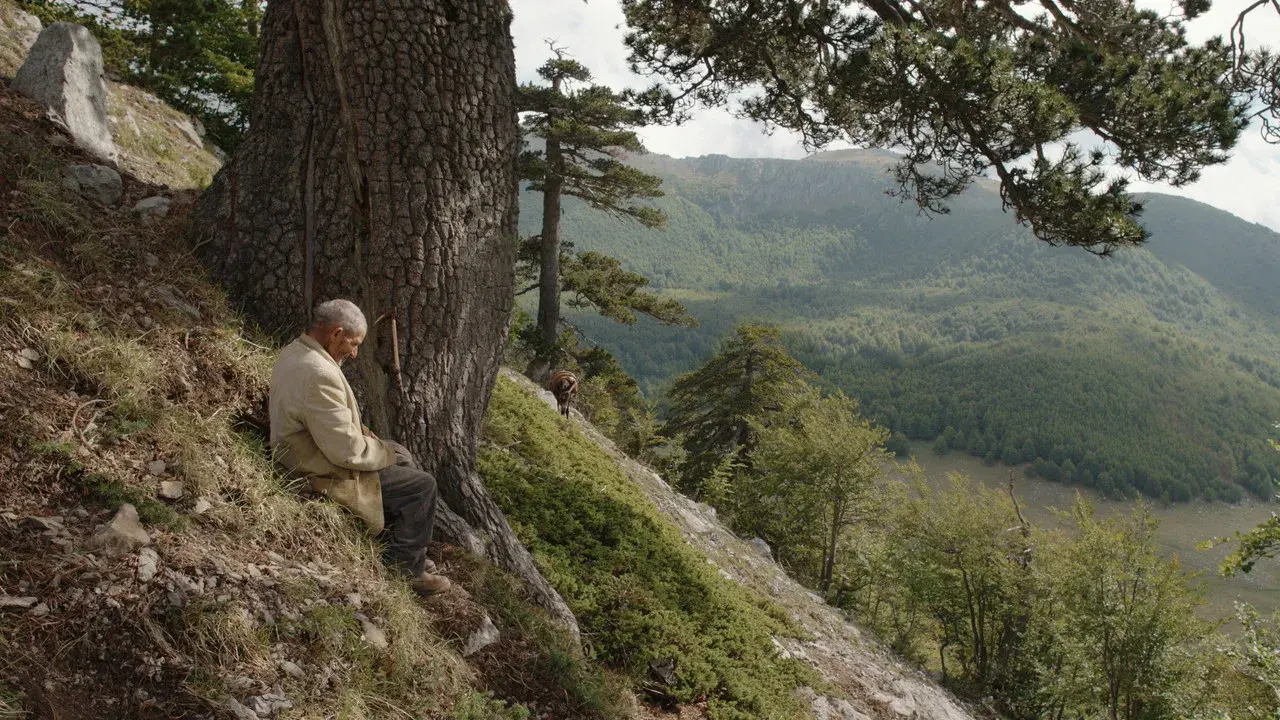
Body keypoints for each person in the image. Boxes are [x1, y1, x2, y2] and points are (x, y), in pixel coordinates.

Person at [268, 298, 451, 596]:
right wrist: (382, 452)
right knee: (422, 486)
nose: (354, 353)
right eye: (352, 344)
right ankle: (405, 570)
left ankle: (407, 547)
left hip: (308, 447)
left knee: (403, 456)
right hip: (314, 466)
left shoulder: (296, 351)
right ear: (336, 333)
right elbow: (346, 452)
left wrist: (381, 446)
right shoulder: (319, 373)